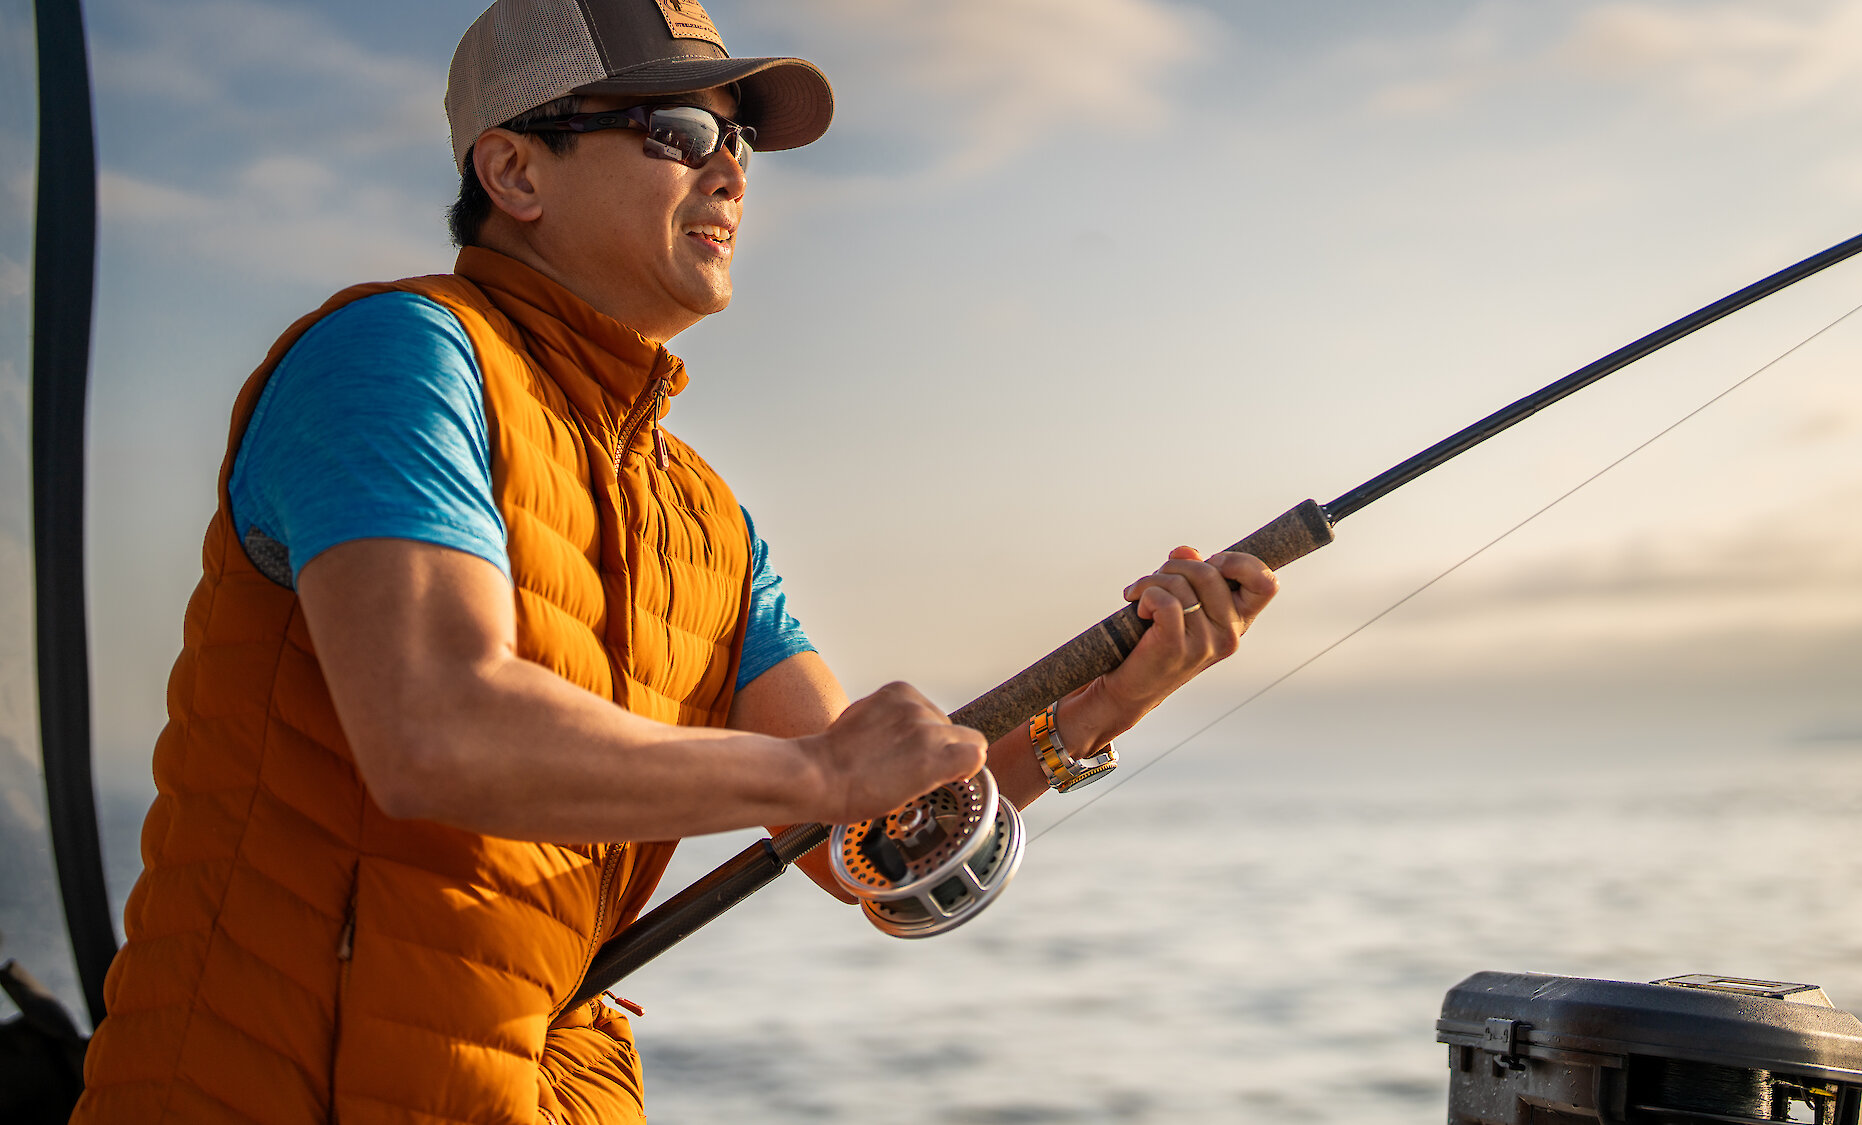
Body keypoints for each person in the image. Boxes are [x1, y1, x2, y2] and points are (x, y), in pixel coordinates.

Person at [71, 1, 1279, 1121]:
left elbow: (864, 840)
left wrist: (1117, 696)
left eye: (740, 137)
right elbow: (431, 729)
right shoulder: (396, 355)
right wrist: (812, 774)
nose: (732, 168)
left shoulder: (706, 517)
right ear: (513, 170)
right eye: (680, 127)